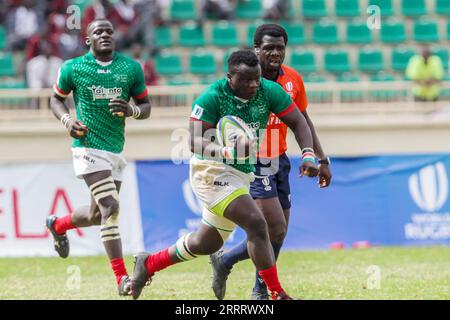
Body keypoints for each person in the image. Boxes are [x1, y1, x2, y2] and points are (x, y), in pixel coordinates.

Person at [131, 49, 319, 300]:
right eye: (246, 80)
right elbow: (195, 142)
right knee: (257, 223)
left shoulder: (268, 90)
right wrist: (228, 151)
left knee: (207, 243)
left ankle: (149, 264)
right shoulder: (211, 97)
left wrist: (308, 153)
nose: (253, 85)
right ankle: (275, 294)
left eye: (256, 78)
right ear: (230, 76)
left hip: (242, 173)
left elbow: (298, 121)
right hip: (211, 171)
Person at [210, 23, 332, 300]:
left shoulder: (293, 80)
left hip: (280, 158)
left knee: (279, 231)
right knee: (272, 226)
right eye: (268, 48)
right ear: (256, 50)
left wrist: (319, 156)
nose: (275, 53)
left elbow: (302, 120)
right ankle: (260, 291)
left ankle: (226, 261)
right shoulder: (242, 81)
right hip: (254, 160)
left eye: (280, 48)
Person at [45, 19, 151, 296]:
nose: (105, 34)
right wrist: (68, 121)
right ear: (88, 40)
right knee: (111, 208)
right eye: (98, 32)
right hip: (87, 146)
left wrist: (132, 111)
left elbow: (145, 106)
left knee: (96, 215)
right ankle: (122, 279)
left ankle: (57, 225)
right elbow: (55, 99)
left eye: (109, 31)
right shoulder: (73, 68)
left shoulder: (131, 68)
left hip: (115, 149)